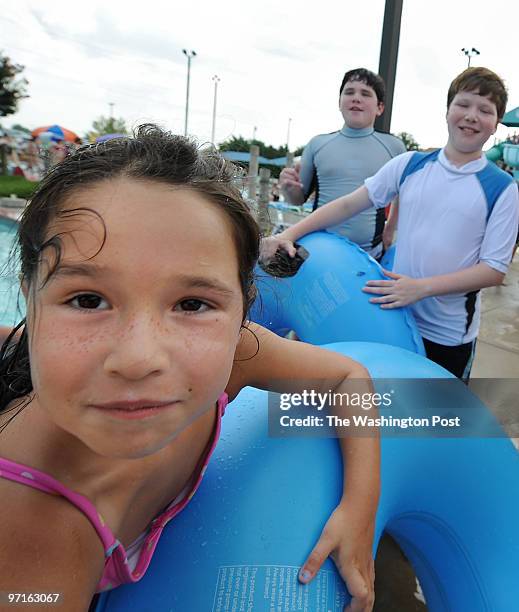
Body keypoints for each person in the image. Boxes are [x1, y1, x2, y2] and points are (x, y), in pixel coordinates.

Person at [0, 126, 379, 612]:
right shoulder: (29, 544)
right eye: (88, 300)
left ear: (244, 307)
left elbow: (348, 378)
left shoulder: (238, 350)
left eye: (192, 303)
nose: (139, 359)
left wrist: (359, 507)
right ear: (29, 298)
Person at [261, 67, 519, 381]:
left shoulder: (502, 188)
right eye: (463, 104)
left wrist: (420, 288)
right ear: (448, 110)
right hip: (390, 313)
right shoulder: (410, 165)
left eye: (485, 110)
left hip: (447, 332)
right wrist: (290, 234)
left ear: (496, 124)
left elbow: (493, 269)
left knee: (435, 420)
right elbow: (347, 204)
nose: (471, 116)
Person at [279, 68, 406, 259]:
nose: (356, 98)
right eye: (349, 92)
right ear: (339, 103)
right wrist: (288, 189)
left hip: (369, 254)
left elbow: (402, 195)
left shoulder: (394, 147)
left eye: (365, 94)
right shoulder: (317, 145)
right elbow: (297, 200)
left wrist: (391, 229)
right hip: (318, 250)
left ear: (380, 107)